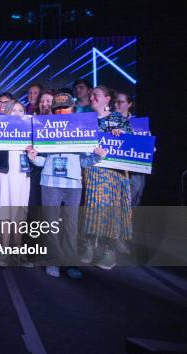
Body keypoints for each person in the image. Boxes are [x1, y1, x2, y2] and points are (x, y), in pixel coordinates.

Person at [26, 93, 107, 278]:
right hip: (49, 182)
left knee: (70, 225)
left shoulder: (82, 129)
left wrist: (97, 156)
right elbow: (41, 161)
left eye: (65, 107)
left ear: (73, 109)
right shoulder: (45, 129)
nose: (61, 111)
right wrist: (33, 157)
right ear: (53, 111)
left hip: (73, 184)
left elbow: (85, 162)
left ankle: (70, 263)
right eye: (57, 108)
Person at [82, 85, 133, 270]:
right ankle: (88, 245)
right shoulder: (86, 120)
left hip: (113, 174)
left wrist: (123, 136)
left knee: (111, 212)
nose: (92, 98)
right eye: (91, 95)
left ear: (107, 99)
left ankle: (109, 251)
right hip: (92, 171)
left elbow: (134, 144)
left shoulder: (118, 118)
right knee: (91, 210)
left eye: (96, 95)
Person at [0, 101, 33, 267]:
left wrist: (33, 152)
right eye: (14, 110)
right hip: (4, 174)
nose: (17, 113)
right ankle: (4, 250)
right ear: (8, 113)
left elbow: (39, 154)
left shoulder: (32, 131)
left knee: (19, 213)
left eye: (20, 110)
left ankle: (18, 250)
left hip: (22, 174)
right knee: (5, 213)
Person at [115, 92, 143, 206]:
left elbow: (148, 147)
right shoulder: (107, 122)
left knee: (134, 202)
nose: (116, 105)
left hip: (134, 170)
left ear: (129, 104)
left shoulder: (139, 124)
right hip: (115, 170)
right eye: (115, 102)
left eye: (120, 102)